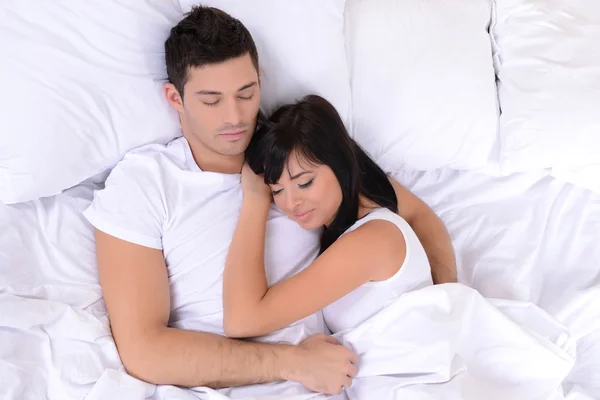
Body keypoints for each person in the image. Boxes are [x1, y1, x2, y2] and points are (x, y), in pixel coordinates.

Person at [83, 5, 456, 397]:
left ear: (260, 81)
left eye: (247, 93)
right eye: (212, 100)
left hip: (338, 381)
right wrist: (291, 362)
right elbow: (144, 350)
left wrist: (446, 312)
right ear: (175, 98)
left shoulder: (293, 152)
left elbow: (413, 214)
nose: (235, 117)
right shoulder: (144, 182)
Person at [222, 94, 443, 339]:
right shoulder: (357, 221)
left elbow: (241, 321)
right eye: (276, 190)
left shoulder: (371, 241)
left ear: (339, 163)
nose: (291, 203)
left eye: (305, 183)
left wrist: (255, 197)